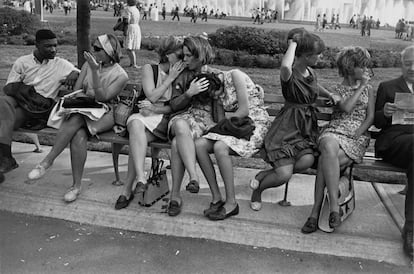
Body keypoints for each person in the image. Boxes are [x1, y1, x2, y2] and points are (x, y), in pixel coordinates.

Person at [27, 34, 129, 203]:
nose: (93, 51)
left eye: (97, 49)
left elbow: (103, 98)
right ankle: (75, 186)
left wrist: (95, 72)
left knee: (77, 119)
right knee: (78, 134)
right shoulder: (89, 66)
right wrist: (86, 78)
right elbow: (77, 89)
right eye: (93, 47)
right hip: (85, 109)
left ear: (109, 52)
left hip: (106, 112)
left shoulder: (121, 75)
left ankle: (47, 162)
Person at [250, 29, 339, 212]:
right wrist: (293, 43)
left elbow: (315, 85)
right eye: (317, 54)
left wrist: (329, 94)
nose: (320, 57)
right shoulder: (288, 75)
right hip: (287, 128)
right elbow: (285, 66)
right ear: (305, 56)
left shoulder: (310, 71)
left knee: (306, 161)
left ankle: (264, 175)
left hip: (304, 129)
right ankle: (258, 191)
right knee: (283, 175)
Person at [301, 46, 374, 233]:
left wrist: (360, 131)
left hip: (355, 136)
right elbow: (347, 107)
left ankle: (315, 212)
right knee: (328, 144)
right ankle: (334, 207)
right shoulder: (337, 89)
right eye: (362, 67)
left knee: (325, 161)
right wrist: (362, 87)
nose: (366, 70)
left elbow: (370, 116)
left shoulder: (370, 90)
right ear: (351, 67)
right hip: (335, 130)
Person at [114, 36, 185, 209]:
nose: (184, 58)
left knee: (136, 135)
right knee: (136, 130)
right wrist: (170, 78)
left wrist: (173, 77)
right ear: (168, 55)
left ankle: (127, 189)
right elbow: (151, 95)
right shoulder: (150, 69)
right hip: (145, 116)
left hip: (163, 119)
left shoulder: (182, 74)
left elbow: (173, 107)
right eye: (180, 54)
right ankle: (140, 178)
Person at [195, 68, 271, 220]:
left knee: (220, 146)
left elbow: (244, 110)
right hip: (237, 126)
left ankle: (231, 203)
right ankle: (217, 198)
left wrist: (222, 125)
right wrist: (217, 106)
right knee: (199, 145)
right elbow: (220, 119)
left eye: (214, 94)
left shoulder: (235, 75)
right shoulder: (216, 92)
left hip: (255, 124)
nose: (214, 97)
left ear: (217, 85)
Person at [0, 29, 79, 175]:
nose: (53, 49)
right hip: (19, 102)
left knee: (3, 118)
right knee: (4, 101)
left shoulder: (61, 64)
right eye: (48, 46)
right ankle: (5, 158)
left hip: (36, 110)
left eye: (55, 45)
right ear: (36, 45)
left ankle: (6, 158)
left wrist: (75, 73)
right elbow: (9, 88)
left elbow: (80, 74)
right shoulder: (23, 62)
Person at [166, 36, 216, 217]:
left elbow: (224, 104)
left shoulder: (214, 75)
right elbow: (173, 105)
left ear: (199, 55)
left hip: (202, 124)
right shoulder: (182, 75)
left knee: (176, 144)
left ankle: (175, 196)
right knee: (180, 125)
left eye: (188, 56)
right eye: (184, 55)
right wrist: (189, 94)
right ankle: (194, 177)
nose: (184, 59)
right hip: (181, 118)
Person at [374, 45, 414, 259]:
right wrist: (385, 112)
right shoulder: (388, 87)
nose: (413, 68)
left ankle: (411, 229)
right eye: (408, 63)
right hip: (394, 141)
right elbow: (377, 123)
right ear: (401, 64)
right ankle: (411, 231)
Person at [123, 0, 142, 68]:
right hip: (136, 27)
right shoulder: (136, 9)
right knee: (131, 47)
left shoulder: (127, 9)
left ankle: (133, 63)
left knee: (129, 47)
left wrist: (125, 30)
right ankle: (132, 63)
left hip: (130, 27)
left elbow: (126, 20)